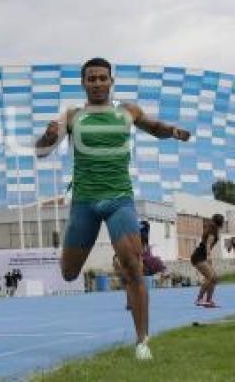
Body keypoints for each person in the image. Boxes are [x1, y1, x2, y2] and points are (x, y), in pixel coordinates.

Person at [35, 57, 190, 361]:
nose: (97, 83)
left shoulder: (127, 112)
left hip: (120, 199)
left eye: (102, 78)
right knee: (68, 273)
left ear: (111, 81)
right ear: (83, 84)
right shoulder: (72, 116)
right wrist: (49, 136)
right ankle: (120, 266)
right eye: (91, 79)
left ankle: (142, 342)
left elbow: (155, 128)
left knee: (135, 266)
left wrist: (173, 131)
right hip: (84, 203)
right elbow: (42, 151)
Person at [192, 213, 226, 308]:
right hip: (199, 256)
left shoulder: (214, 230)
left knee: (214, 279)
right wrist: (209, 256)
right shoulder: (212, 231)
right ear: (220, 222)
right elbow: (208, 244)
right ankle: (199, 299)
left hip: (201, 256)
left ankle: (209, 301)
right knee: (210, 277)